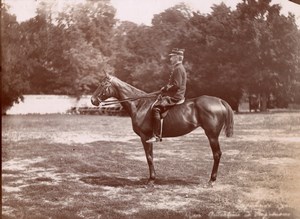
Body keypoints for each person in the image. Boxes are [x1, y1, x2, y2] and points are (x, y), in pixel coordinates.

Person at [146, 48, 187, 143]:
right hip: (173, 94)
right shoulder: (178, 68)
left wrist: (165, 88)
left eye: (172, 57)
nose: (170, 59)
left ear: (177, 57)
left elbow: (176, 85)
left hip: (175, 96)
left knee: (156, 108)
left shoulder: (178, 69)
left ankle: (156, 136)